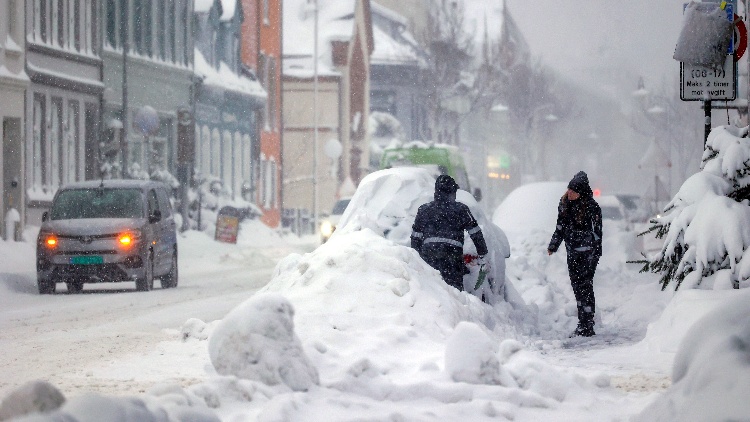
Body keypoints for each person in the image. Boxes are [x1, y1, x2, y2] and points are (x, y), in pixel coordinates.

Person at [547, 171, 603, 337]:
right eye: (569, 189)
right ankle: (583, 321)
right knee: (577, 287)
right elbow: (560, 227)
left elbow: (598, 234)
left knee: (585, 286)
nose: (569, 193)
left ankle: (587, 324)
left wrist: (595, 252)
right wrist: (553, 245)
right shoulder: (564, 204)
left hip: (588, 254)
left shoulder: (592, 208)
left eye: (574, 191)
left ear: (581, 193)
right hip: (572, 252)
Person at [411, 175, 489, 291]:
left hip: (429, 257)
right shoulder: (461, 210)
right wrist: (482, 254)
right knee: (454, 293)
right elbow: (475, 233)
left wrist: (416, 259)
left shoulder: (424, 210)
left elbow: (415, 238)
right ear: (453, 192)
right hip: (452, 258)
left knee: (430, 291)